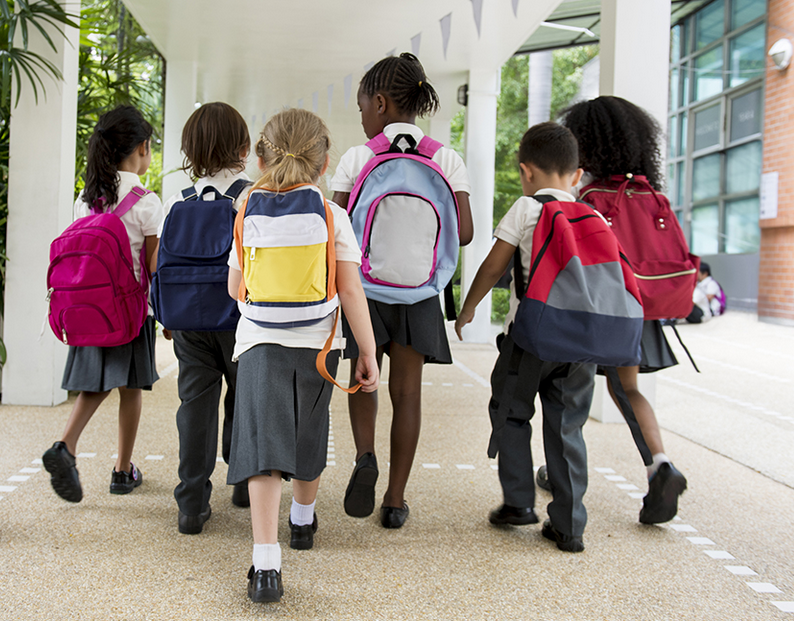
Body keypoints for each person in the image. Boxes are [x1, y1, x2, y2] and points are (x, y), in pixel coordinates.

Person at [226, 109, 380, 602]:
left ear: (260, 157)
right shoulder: (333, 214)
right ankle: (303, 521)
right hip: (319, 345)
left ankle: (265, 565)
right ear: (324, 163)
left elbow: (236, 288)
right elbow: (352, 292)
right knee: (308, 432)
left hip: (258, 342)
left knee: (263, 450)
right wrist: (368, 351)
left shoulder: (246, 204)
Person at [329, 53, 474, 529]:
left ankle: (365, 454)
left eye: (362, 109)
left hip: (366, 291)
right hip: (421, 292)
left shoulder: (359, 157)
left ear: (381, 102)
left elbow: (335, 226)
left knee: (362, 378)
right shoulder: (446, 158)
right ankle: (394, 498)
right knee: (407, 392)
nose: (363, 118)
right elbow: (466, 232)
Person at [455, 123, 596, 552]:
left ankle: (518, 503)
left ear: (525, 171)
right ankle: (569, 525)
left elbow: (495, 265)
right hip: (581, 344)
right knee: (567, 426)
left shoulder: (526, 209)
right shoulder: (594, 216)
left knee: (511, 413)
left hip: (529, 339)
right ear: (576, 175)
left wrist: (469, 307)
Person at [560, 96, 688, 524]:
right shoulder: (650, 195)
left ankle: (559, 473)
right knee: (628, 389)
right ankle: (660, 463)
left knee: (568, 394)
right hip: (644, 310)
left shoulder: (590, 197)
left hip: (599, 314)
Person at [43, 105, 163, 501]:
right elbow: (153, 266)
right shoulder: (146, 202)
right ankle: (117, 467)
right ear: (142, 148)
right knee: (129, 389)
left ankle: (76, 449)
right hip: (129, 312)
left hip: (88, 307)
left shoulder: (87, 199)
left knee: (95, 386)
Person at [159, 102, 253, 534]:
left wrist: (166, 314)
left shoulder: (176, 202)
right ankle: (243, 481)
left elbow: (164, 265)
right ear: (244, 147)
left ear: (189, 151)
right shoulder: (252, 198)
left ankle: (192, 504)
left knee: (194, 407)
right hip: (240, 319)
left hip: (189, 322)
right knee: (244, 399)